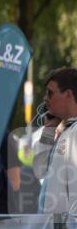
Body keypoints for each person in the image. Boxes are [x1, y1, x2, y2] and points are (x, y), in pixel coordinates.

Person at [37, 67, 77, 215]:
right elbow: (40, 170)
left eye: (50, 93)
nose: (45, 98)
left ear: (68, 94)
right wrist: (48, 130)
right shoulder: (66, 130)